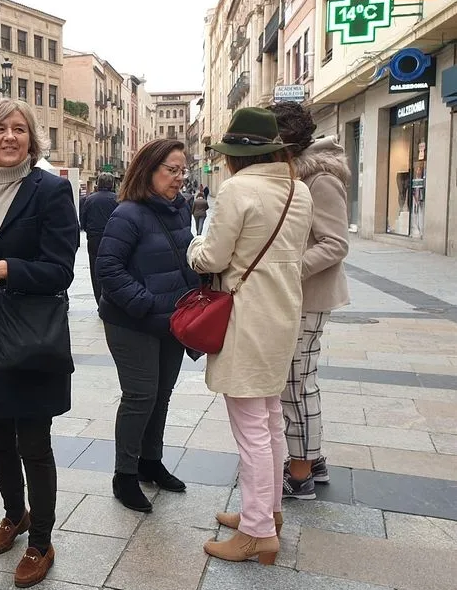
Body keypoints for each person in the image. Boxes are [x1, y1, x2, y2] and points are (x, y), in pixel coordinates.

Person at [0, 98, 78, 588]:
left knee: (33, 440)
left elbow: (61, 268)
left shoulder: (51, 191)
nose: (9, 137)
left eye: (19, 129)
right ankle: (13, 513)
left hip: (31, 334)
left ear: (31, 139)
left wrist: (7, 269)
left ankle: (41, 541)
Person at [187, 107, 312, 564]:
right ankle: (268, 510)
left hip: (245, 317)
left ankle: (258, 530)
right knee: (270, 417)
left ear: (237, 155)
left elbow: (213, 257)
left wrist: (193, 246)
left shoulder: (238, 189)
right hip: (282, 315)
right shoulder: (298, 190)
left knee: (251, 429)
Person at [96, 140, 200, 513]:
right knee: (140, 396)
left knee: (161, 396)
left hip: (172, 321)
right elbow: (108, 269)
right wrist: (146, 304)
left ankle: (150, 464)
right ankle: (124, 475)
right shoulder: (127, 214)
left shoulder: (180, 209)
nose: (179, 178)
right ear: (149, 170)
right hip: (132, 323)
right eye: (171, 170)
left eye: (182, 170)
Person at [269, 102, 350, 500]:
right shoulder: (302, 174)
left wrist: (288, 268)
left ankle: (299, 474)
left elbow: (336, 243)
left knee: (294, 385)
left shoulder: (320, 179)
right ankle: (311, 458)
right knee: (301, 381)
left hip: (309, 296)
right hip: (300, 295)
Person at [80, 172, 118, 305]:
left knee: (95, 269)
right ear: (112, 184)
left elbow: (83, 221)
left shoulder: (89, 199)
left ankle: (99, 301)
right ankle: (111, 299)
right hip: (113, 238)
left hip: (94, 238)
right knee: (113, 268)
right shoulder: (118, 199)